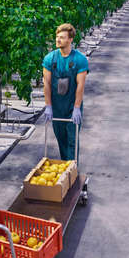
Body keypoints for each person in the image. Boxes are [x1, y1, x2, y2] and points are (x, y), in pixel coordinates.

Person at [42, 23, 89, 163]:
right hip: (56, 107)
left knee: (72, 141)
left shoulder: (79, 59)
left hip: (71, 106)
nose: (58, 40)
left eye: (62, 37)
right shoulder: (50, 59)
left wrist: (76, 108)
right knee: (61, 139)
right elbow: (47, 83)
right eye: (57, 37)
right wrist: (48, 106)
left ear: (70, 40)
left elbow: (80, 85)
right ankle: (65, 168)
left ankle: (72, 169)